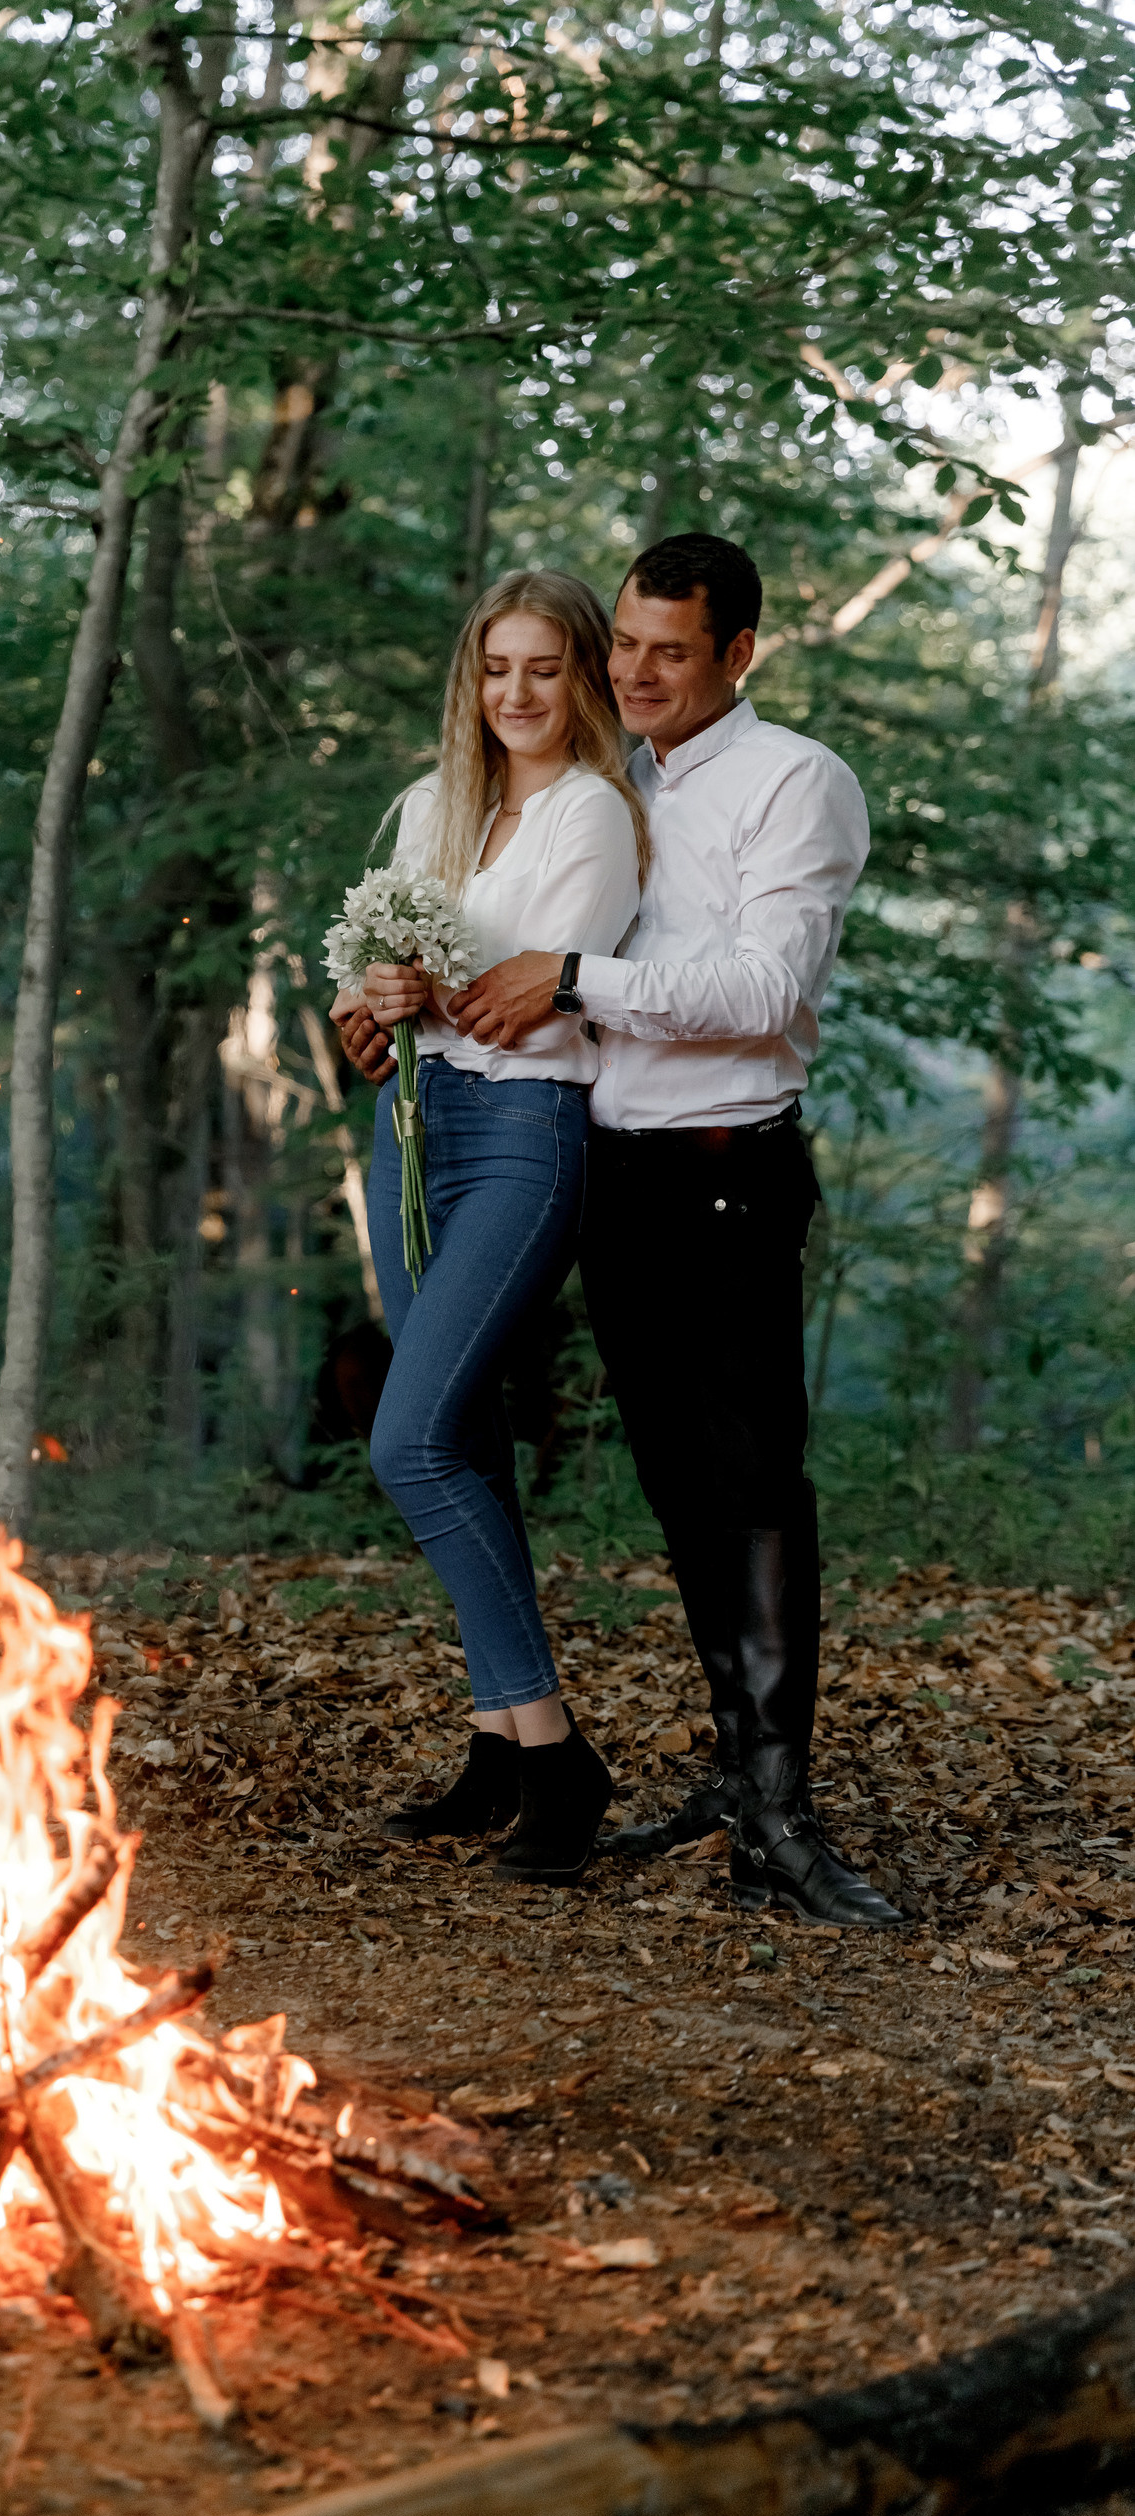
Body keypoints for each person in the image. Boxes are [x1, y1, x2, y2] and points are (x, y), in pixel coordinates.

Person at [337, 533, 901, 1931]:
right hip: (613, 1170)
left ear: (738, 656)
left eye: (671, 650)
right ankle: (708, 1778)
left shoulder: (794, 781)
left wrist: (576, 977)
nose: (638, 673)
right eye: (628, 647)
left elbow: (769, 983)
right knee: (673, 1486)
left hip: (724, 1169)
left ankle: (778, 1813)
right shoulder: (611, 778)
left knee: (756, 1485)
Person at [329, 569, 643, 1885]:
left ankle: (563, 1759)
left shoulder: (595, 816)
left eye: (545, 669)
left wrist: (420, 991)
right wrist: (368, 1008)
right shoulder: (428, 807)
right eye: (496, 670)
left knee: (410, 1444)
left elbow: (522, 1006)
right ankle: (498, 1744)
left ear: (583, 677)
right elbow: (372, 1008)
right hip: (415, 1135)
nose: (516, 695)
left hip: (525, 1138)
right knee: (463, 1437)